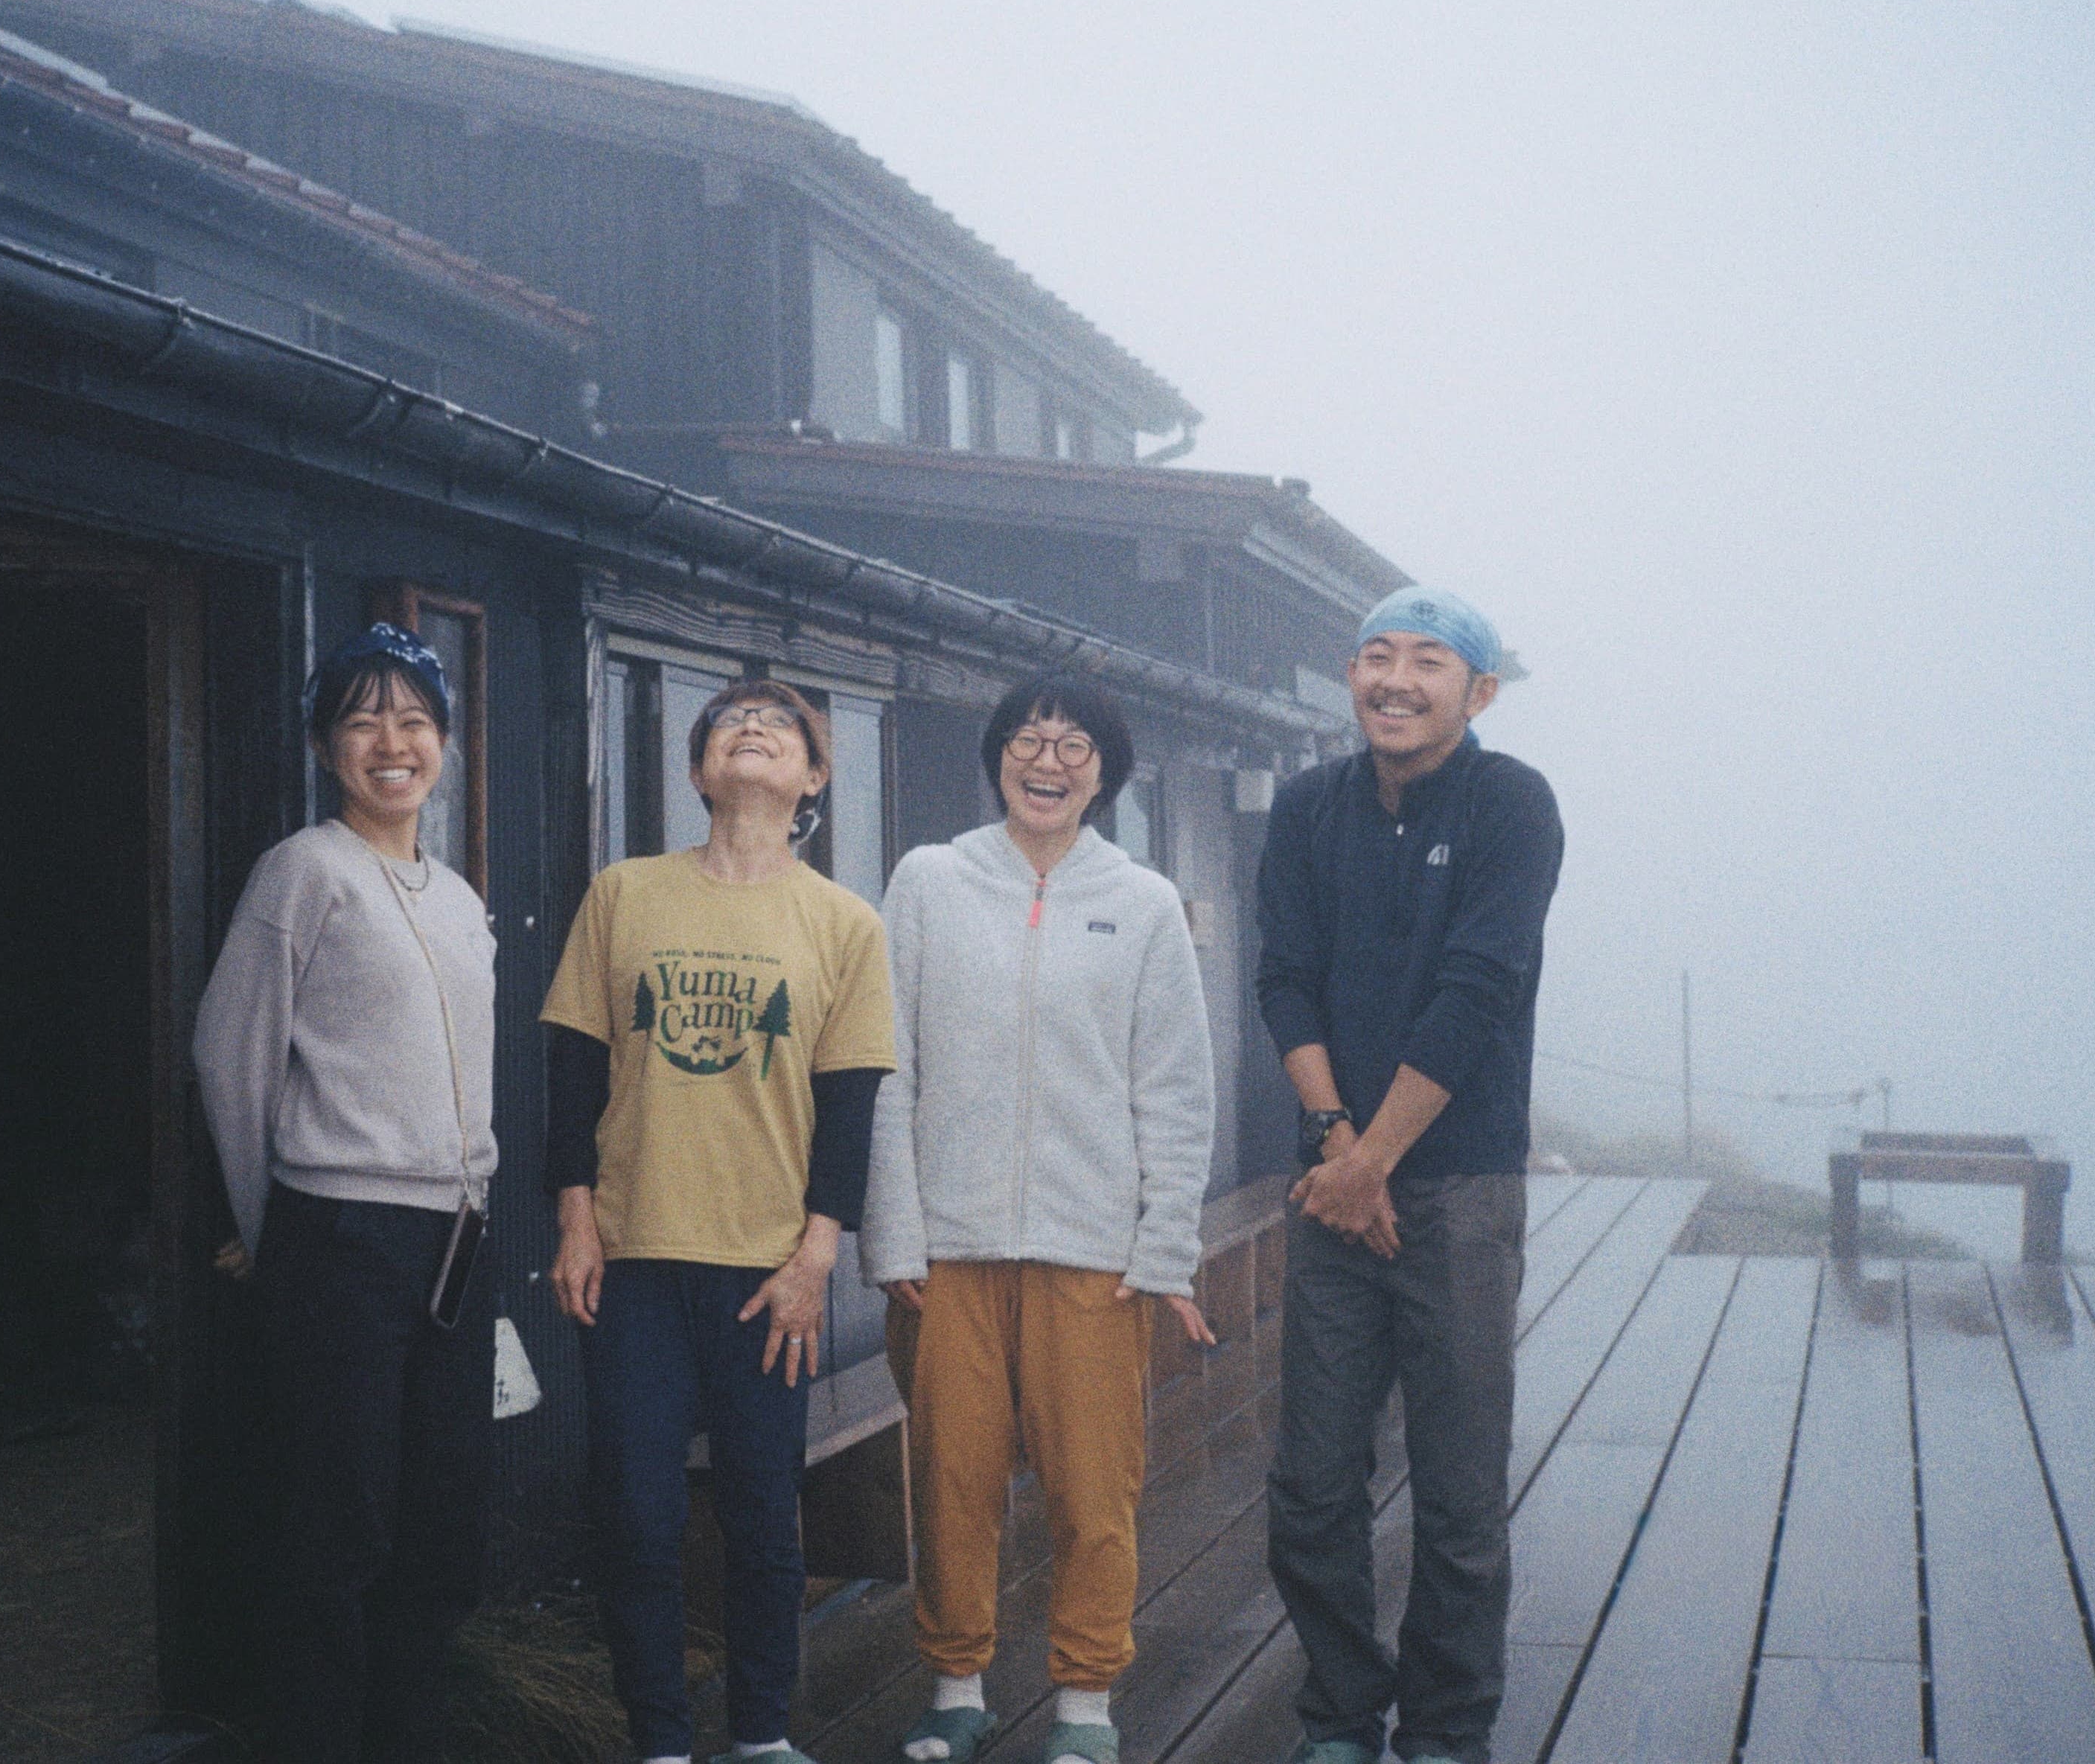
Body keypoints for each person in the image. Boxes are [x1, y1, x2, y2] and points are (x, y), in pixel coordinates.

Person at [862, 671, 1219, 1764]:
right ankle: (957, 1688)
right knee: (953, 1479)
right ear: (998, 757)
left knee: (1092, 1485)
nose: (1048, 759)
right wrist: (893, 1232)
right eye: (1028, 739)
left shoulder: (1145, 901)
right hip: (951, 1248)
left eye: (1073, 744)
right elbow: (888, 1067)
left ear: (1104, 772)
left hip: (1095, 1253)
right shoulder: (929, 880)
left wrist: (1163, 1249)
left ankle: (1082, 1707)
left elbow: (1176, 1089)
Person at [541, 677, 897, 1764]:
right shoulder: (624, 894)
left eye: (782, 727)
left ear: (813, 779)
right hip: (636, 1256)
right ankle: (658, 1738)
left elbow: (849, 1108)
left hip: (766, 1271)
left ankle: (760, 1738)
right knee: (639, 1516)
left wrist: (817, 1256)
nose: (755, 729)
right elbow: (574, 1071)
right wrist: (576, 1220)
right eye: (731, 723)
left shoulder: (843, 921)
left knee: (760, 1516)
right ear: (699, 772)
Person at [1257, 588, 1563, 1764]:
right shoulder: (1307, 806)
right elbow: (1285, 978)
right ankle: (1342, 1709)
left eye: (1429, 662)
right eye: (1376, 657)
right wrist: (1341, 1148)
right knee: (1313, 1482)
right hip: (1334, 1184)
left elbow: (1482, 986)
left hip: (1459, 1190)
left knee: (1460, 1487)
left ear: (1479, 693)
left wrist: (1374, 1162)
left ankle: (1445, 1727)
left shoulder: (1511, 803)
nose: (1396, 680)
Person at [193, 621, 500, 1764]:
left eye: (415, 719)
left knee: (443, 1522)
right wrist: (271, 1230)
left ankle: (407, 1741)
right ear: (328, 746)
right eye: (365, 719)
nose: (393, 741)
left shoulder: (459, 896)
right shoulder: (306, 869)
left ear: (445, 745)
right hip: (343, 1234)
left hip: (457, 1237)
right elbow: (232, 1053)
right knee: (342, 1525)